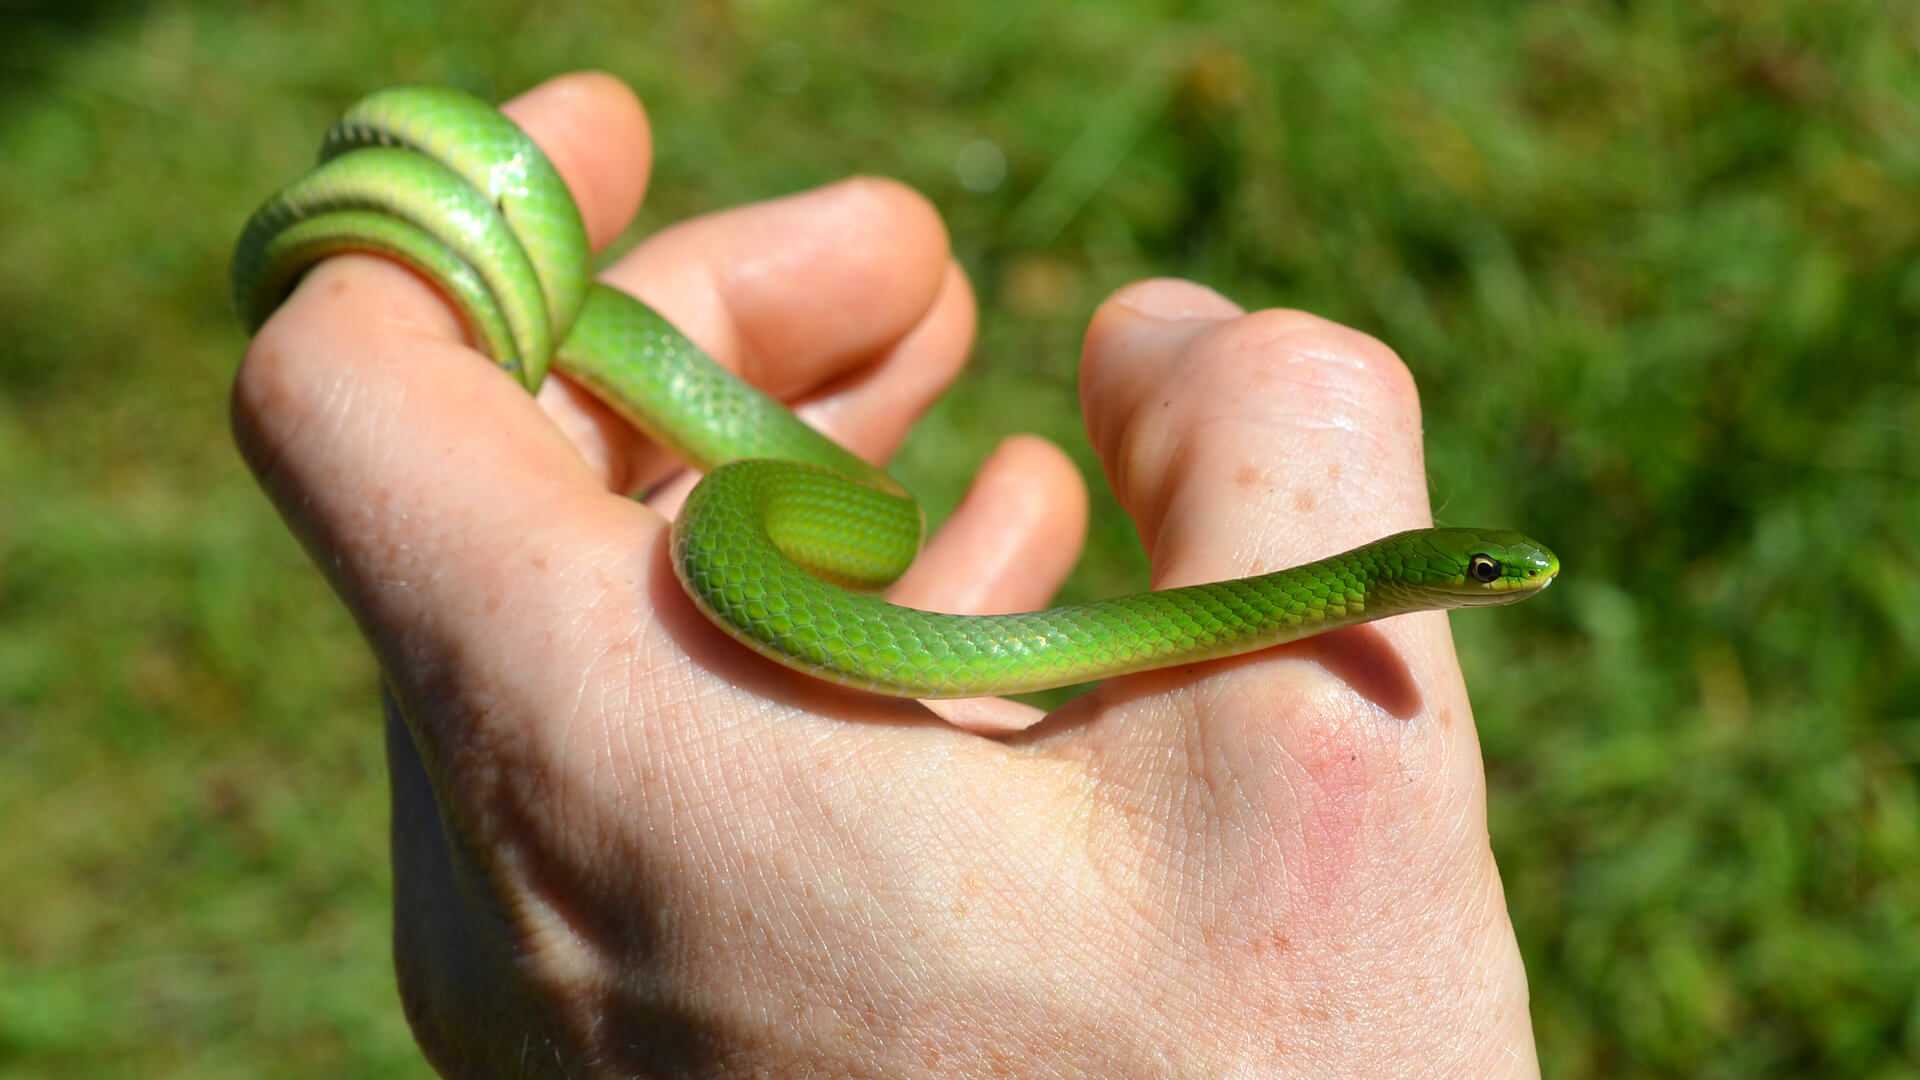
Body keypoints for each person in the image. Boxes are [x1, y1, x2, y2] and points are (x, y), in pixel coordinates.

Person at [232, 71, 1540, 1078]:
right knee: (834, 493)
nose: (1506, 580)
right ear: (1407, 574)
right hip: (709, 458)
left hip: (751, 493)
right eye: (1485, 571)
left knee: (855, 507)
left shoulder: (1337, 605)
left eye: (1485, 573)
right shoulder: (750, 505)